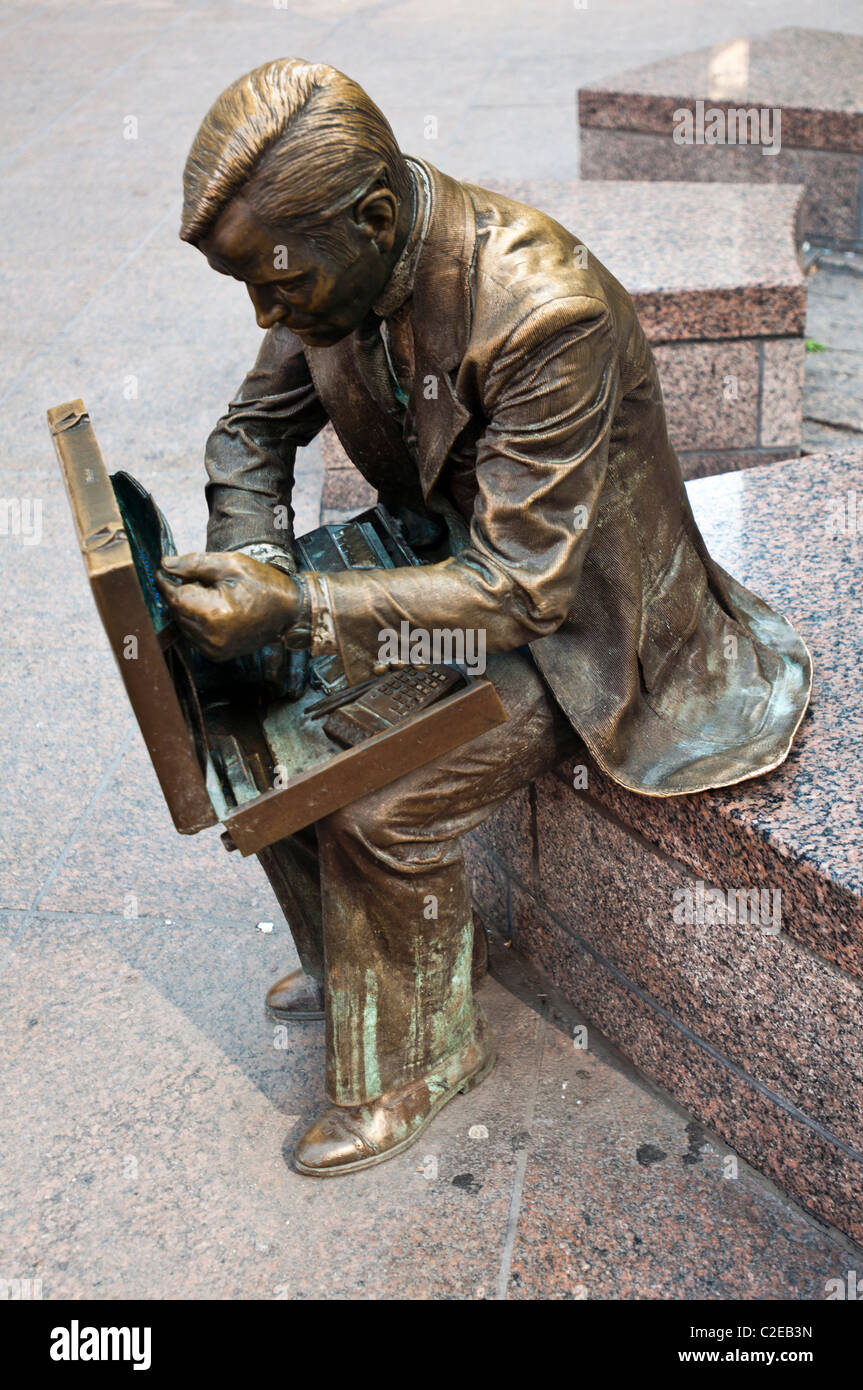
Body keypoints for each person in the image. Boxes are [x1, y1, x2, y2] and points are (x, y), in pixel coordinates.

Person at [157, 58, 811, 1177]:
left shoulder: (541, 312)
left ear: (373, 218)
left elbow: (522, 589)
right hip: (444, 568)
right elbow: (246, 438)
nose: (265, 314)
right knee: (256, 719)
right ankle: (350, 963)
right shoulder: (327, 263)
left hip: (582, 632)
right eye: (249, 288)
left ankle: (417, 1058)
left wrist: (303, 606)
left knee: (382, 801)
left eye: (276, 286)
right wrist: (264, 574)